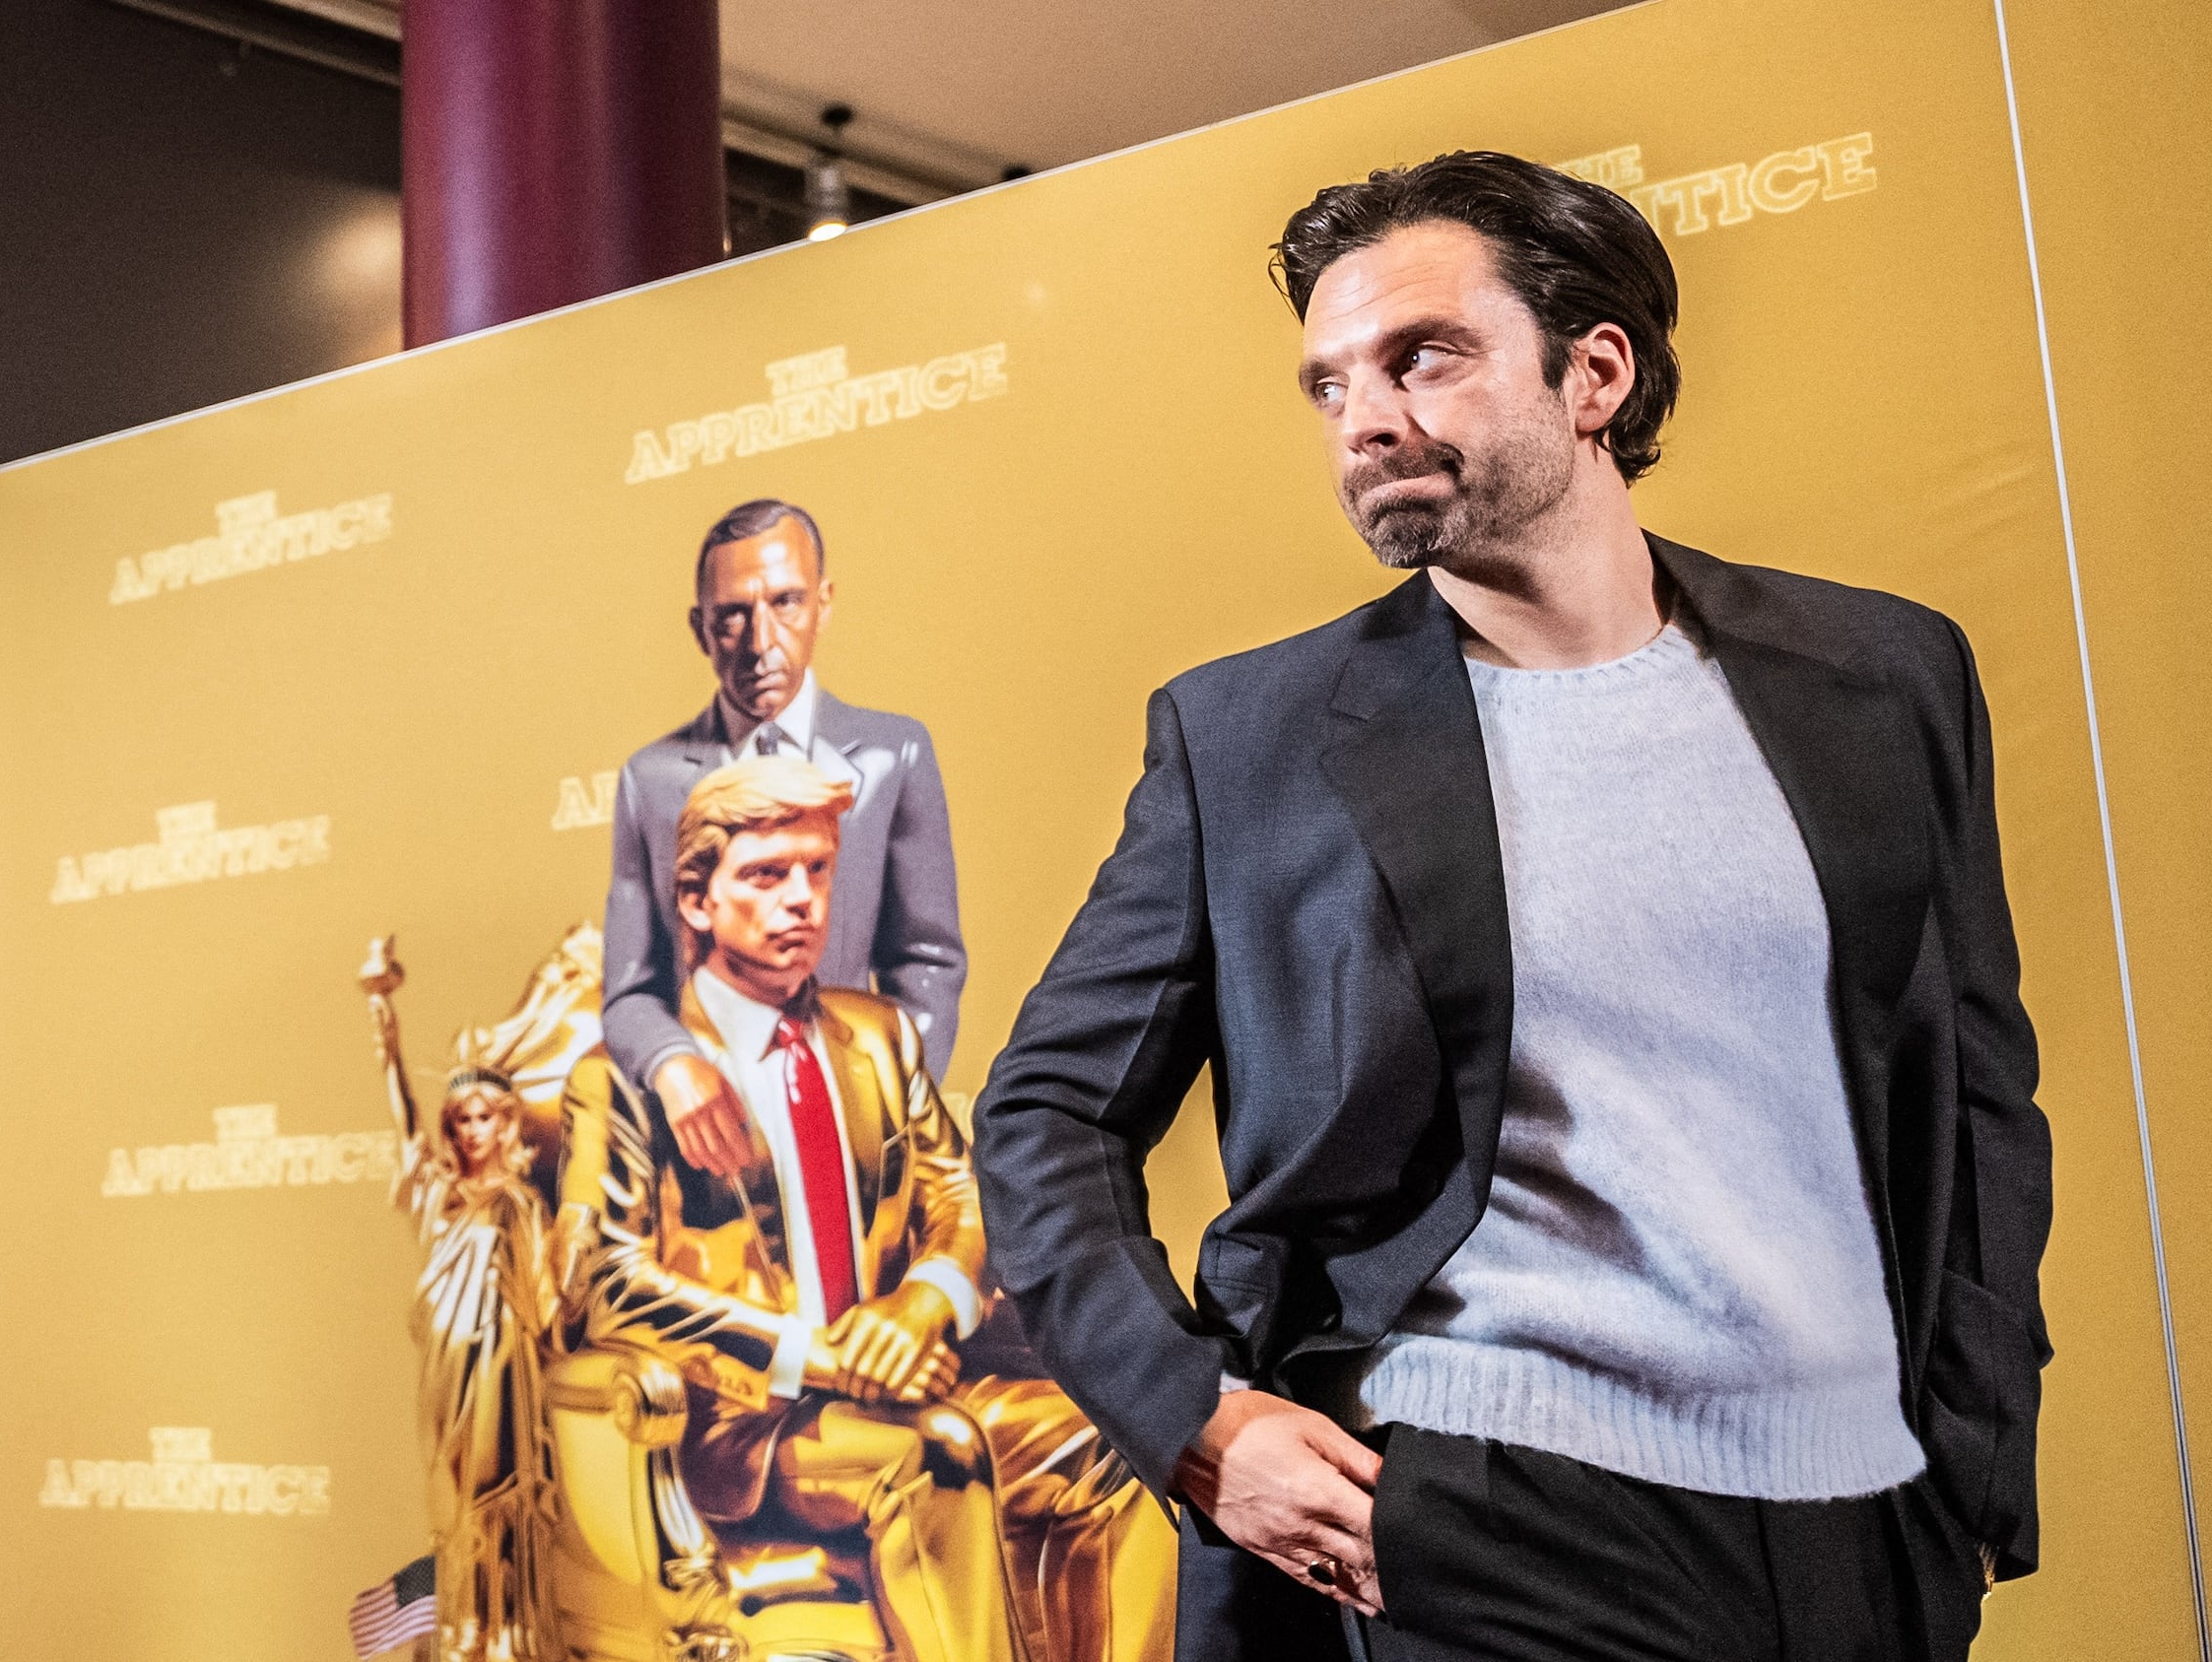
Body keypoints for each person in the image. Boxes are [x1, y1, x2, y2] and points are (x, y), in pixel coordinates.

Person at [970, 151, 2048, 1662]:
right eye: (1331, 382)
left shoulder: (1885, 676)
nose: (1367, 417)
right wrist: (1196, 1417)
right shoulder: (1253, 738)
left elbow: (1981, 1082)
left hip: (1864, 1522)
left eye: (1423, 356)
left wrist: (1978, 1469)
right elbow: (1046, 1114)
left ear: (1595, 369)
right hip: (1477, 1509)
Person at [560, 758, 1166, 1662]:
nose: (802, 899)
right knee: (937, 1454)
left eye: (816, 870)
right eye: (766, 874)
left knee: (1112, 1438)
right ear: (694, 901)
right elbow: (605, 1282)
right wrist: (815, 1354)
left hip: (912, 1371)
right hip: (744, 1423)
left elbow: (960, 1193)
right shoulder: (629, 1081)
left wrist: (921, 1303)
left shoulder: (875, 1036)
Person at [601, 498, 967, 1189]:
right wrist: (673, 1064)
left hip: (857, 1146)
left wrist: (886, 1106)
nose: (761, 638)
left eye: (787, 601)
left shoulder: (895, 755)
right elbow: (630, 991)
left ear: (824, 602)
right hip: (709, 1160)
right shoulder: (648, 781)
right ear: (700, 628)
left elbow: (928, 964)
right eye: (731, 614)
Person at [364, 935, 574, 1662]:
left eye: (484, 1116)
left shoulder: (519, 1202)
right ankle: (459, 1628)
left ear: (507, 1123)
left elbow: (547, 1306)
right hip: (448, 1371)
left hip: (506, 1373)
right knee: (453, 1508)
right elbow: (402, 1119)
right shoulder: (440, 1198)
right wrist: (381, 1014)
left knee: (506, 1504)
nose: (471, 1130)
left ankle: (508, 1633)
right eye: (461, 1120)